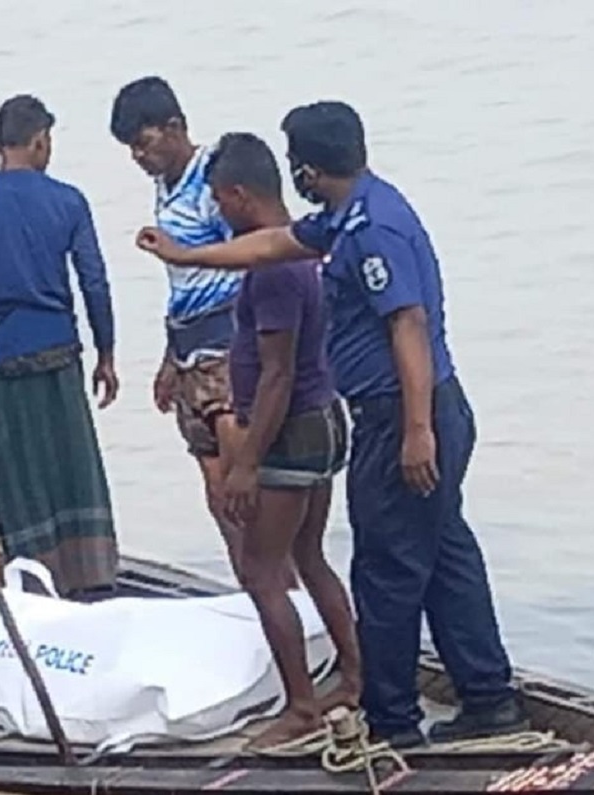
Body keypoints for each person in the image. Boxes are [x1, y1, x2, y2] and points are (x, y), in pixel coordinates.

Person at [134, 101, 528, 747]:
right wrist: (186, 253)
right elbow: (273, 242)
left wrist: (416, 428)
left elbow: (408, 324)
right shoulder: (349, 217)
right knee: (447, 554)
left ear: (308, 168)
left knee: (386, 566)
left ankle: (393, 719)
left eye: (298, 167)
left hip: (402, 413)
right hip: (412, 411)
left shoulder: (374, 231)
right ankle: (489, 696)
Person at [204, 132, 363, 750]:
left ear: (241, 196)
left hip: (290, 431)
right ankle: (354, 675)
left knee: (260, 567)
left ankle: (300, 705)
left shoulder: (272, 267)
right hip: (323, 419)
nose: (220, 214)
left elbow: (277, 373)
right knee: (310, 555)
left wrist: (244, 464)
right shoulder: (306, 247)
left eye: (221, 202)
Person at [109, 76, 292, 588]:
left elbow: (255, 247)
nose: (138, 157)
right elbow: (180, 277)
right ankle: (253, 597)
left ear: (173, 128)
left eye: (143, 144)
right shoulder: (163, 188)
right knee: (216, 493)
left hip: (228, 341)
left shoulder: (216, 176)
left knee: (244, 491)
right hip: (188, 345)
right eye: (131, 149)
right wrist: (170, 357)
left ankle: (284, 600)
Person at [0, 94, 121, 599]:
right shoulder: (68, 200)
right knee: (74, 467)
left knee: (19, 472)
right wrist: (106, 352)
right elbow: (95, 282)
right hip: (61, 354)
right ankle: (91, 576)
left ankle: (33, 580)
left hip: (5, 359)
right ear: (40, 140)